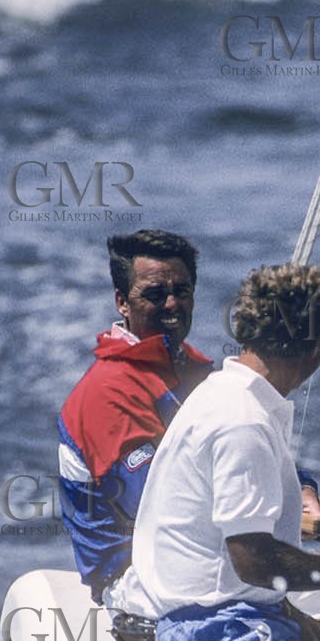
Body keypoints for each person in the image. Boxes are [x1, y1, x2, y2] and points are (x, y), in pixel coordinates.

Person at [129, 263, 320, 641]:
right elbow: (253, 561)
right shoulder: (243, 423)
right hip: (217, 638)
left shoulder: (219, 394)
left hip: (216, 627)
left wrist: (289, 612)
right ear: (316, 352)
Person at [58, 229, 212, 600]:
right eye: (155, 295)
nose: (172, 304)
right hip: (131, 580)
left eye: (182, 291)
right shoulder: (106, 393)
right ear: (122, 302)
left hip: (193, 557)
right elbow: (160, 506)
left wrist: (301, 488)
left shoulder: (195, 370)